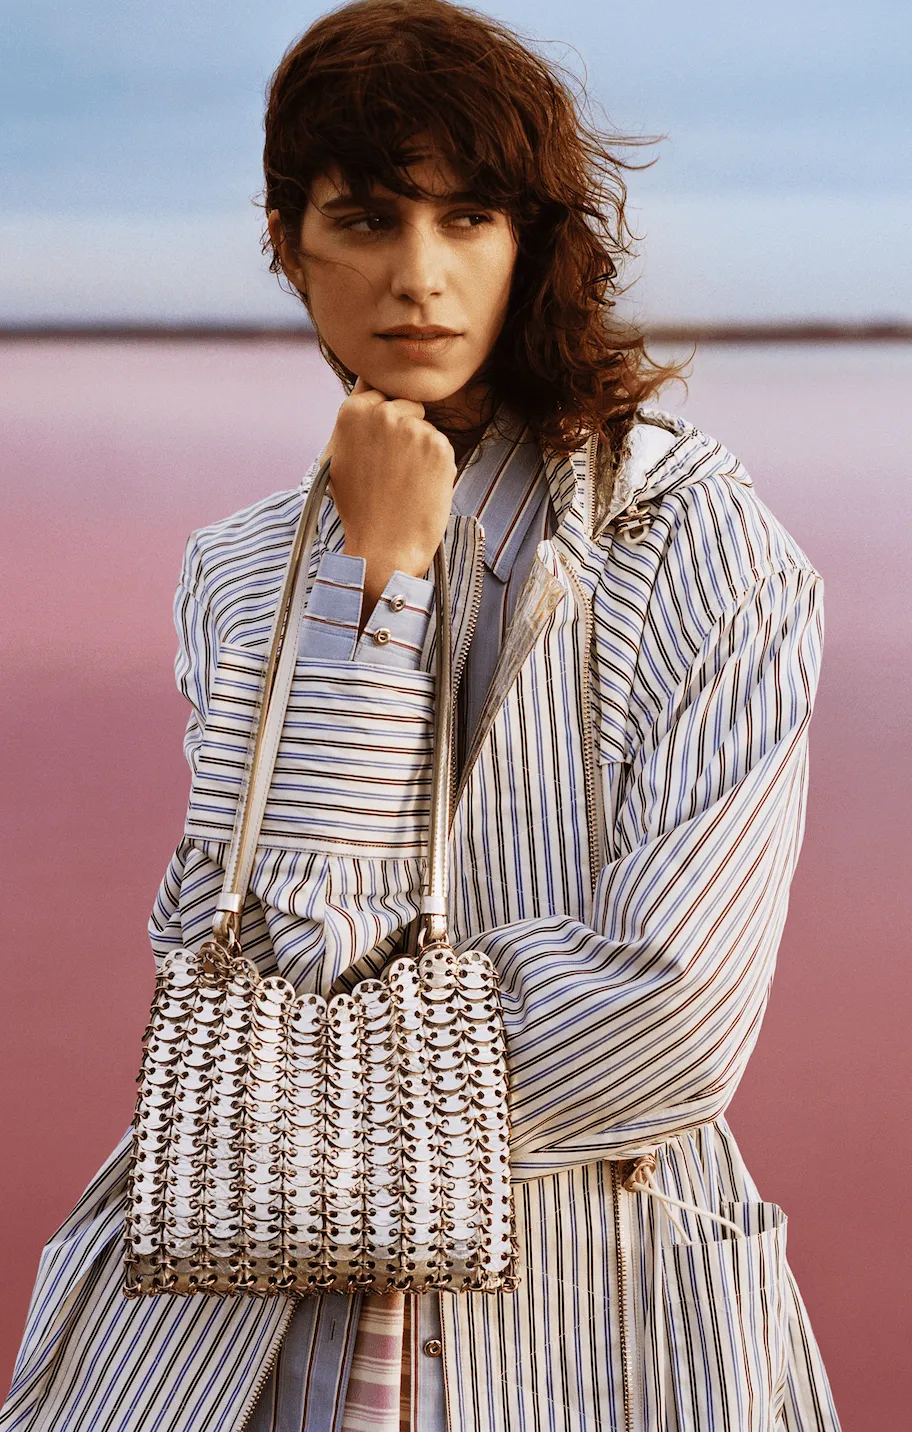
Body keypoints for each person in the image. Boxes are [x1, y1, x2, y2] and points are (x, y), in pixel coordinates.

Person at [0, 2, 841, 1430]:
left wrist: (293, 1102)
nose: (419, 276)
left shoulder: (692, 542)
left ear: (533, 242)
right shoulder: (242, 571)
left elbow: (673, 1013)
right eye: (366, 220)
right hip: (252, 1342)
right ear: (288, 245)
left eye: (468, 218)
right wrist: (371, 587)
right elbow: (232, 951)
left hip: (594, 1319)